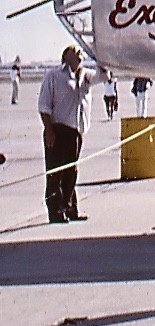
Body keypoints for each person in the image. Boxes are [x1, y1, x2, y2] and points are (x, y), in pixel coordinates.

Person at [38, 46, 103, 224]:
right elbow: (44, 105)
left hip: (76, 131)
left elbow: (103, 76)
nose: (79, 53)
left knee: (71, 172)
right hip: (58, 129)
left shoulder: (85, 75)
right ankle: (55, 212)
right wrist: (49, 130)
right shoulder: (54, 75)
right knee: (55, 174)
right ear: (65, 56)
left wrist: (102, 58)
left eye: (80, 52)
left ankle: (70, 208)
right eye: (74, 51)